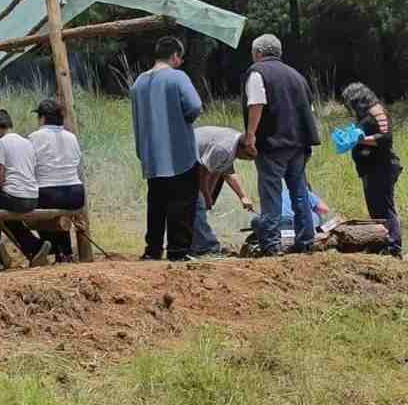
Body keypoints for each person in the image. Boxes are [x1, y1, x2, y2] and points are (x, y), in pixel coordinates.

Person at [243, 34, 320, 256]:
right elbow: (309, 110)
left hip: (272, 144)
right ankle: (306, 241)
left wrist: (250, 135)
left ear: (258, 53)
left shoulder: (257, 72)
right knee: (300, 192)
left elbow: (256, 104)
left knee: (271, 193)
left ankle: (271, 245)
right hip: (299, 144)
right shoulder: (297, 76)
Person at [130, 36, 203, 262]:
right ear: (175, 56)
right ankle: (178, 251)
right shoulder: (177, 77)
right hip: (179, 152)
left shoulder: (138, 82)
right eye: (181, 58)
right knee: (182, 202)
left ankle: (152, 250)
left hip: (150, 155)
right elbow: (194, 106)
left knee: (156, 204)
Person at [341, 82, 402, 256]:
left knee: (384, 208)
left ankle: (393, 246)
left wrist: (359, 140)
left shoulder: (377, 111)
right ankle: (382, 243)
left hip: (382, 166)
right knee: (375, 208)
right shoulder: (367, 115)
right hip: (371, 168)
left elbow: (385, 138)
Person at [0, 109, 52, 267]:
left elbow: (0, 180)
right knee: (7, 217)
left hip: (15, 199)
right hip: (33, 198)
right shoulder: (27, 142)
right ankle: (34, 246)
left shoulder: (0, 144)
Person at [29, 99, 85, 262]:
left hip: (49, 193)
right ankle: (65, 252)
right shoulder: (71, 137)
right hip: (76, 194)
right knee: (57, 210)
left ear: (42, 118)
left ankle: (52, 250)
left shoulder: (34, 137)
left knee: (33, 208)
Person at [189, 126, 257, 257]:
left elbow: (225, 172)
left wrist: (243, 197)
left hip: (197, 163)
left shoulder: (234, 143)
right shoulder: (224, 149)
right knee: (197, 204)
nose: (248, 160)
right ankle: (207, 248)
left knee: (200, 204)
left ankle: (195, 244)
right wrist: (206, 195)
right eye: (248, 157)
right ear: (243, 148)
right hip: (185, 160)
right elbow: (203, 173)